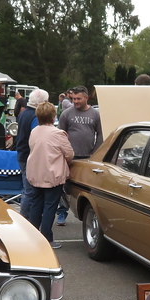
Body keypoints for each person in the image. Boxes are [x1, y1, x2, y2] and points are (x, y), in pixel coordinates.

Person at [24, 102, 73, 248]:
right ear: (53, 116)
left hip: (35, 173)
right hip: (53, 175)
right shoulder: (58, 133)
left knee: (36, 205)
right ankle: (47, 238)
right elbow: (69, 154)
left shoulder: (34, 131)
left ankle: (33, 236)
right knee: (50, 207)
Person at [57, 85, 102, 225]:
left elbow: (100, 135)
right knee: (64, 186)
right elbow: (60, 135)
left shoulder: (95, 114)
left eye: (78, 99)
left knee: (86, 188)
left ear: (86, 98)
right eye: (74, 99)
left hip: (87, 157)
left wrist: (95, 153)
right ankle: (62, 212)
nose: (75, 101)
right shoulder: (66, 114)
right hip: (69, 157)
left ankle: (87, 215)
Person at [16, 88, 49, 219]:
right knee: (30, 192)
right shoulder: (36, 116)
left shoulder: (23, 113)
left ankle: (25, 218)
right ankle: (26, 220)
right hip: (31, 157)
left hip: (22, 153)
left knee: (27, 189)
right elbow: (37, 138)